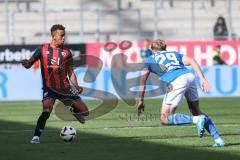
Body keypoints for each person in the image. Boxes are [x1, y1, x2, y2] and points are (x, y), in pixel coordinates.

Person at [137, 39, 225, 147]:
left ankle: (196, 119)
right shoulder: (174, 54)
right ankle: (218, 139)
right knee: (196, 111)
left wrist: (141, 100)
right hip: (189, 76)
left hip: (176, 80)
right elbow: (192, 60)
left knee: (164, 119)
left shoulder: (149, 59)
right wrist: (202, 79)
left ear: (153, 50)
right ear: (165, 48)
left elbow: (142, 80)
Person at [22, 24, 89, 144]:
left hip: (66, 88)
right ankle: (36, 137)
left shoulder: (67, 52)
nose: (64, 38)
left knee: (85, 113)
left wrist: (76, 86)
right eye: (61, 35)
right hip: (50, 88)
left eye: (64, 36)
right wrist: (26, 63)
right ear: (54, 36)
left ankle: (72, 109)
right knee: (46, 110)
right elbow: (29, 64)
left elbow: (71, 72)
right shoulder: (42, 50)